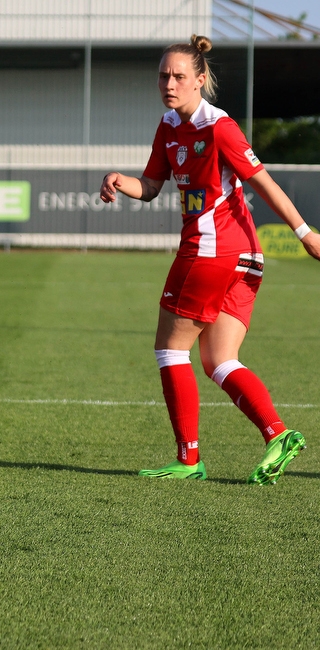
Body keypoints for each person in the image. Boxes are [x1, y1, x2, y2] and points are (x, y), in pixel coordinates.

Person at [99, 36, 320, 483]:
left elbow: (263, 181)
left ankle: (187, 459)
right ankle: (278, 434)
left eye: (180, 76)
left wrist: (304, 233)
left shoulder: (220, 127)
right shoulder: (168, 126)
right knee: (220, 360)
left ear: (201, 80)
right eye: (164, 75)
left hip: (212, 251)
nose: (170, 83)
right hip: (243, 256)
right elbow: (152, 186)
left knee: (169, 348)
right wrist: (122, 180)